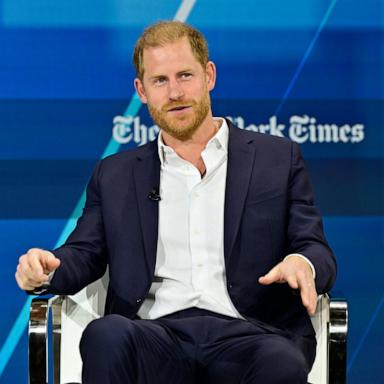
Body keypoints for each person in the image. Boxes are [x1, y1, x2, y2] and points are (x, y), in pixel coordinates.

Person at [15, 21, 336, 384]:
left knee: (281, 359)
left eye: (185, 75)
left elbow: (315, 248)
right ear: (141, 90)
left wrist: (303, 262)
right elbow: (85, 253)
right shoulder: (116, 174)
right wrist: (48, 270)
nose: (175, 92)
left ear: (209, 75)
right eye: (160, 81)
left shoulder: (277, 159)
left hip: (252, 333)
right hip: (155, 335)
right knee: (106, 334)